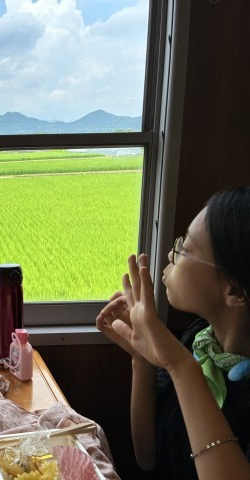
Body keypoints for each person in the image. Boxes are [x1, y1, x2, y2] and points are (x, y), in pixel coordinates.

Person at [96, 185, 250, 480]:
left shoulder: (186, 358)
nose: (171, 253)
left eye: (185, 249)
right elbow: (148, 458)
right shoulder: (198, 338)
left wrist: (180, 365)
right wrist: (142, 359)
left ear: (234, 290)